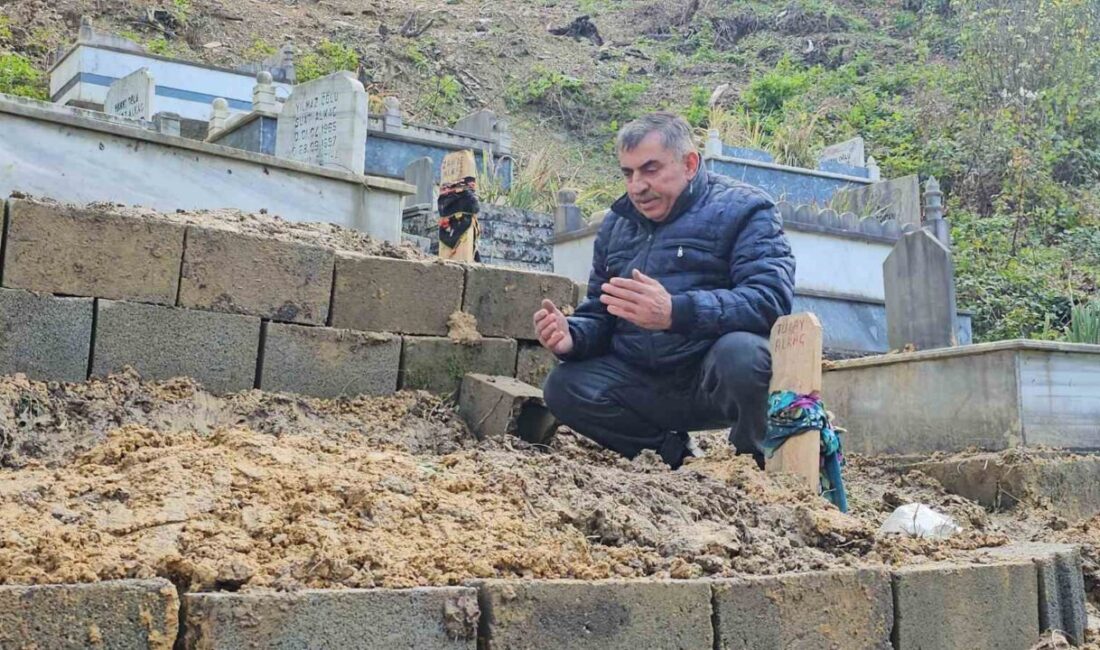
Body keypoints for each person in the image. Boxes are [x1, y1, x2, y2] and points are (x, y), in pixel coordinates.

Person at [533, 111, 795, 469]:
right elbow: (601, 310)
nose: (637, 186)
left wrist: (676, 311)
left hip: (711, 378)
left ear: (689, 164)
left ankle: (750, 464)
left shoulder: (746, 209)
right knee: (564, 386)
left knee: (745, 355)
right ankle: (674, 459)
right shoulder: (616, 226)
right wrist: (572, 336)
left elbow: (770, 300)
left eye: (650, 169)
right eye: (628, 173)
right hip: (642, 381)